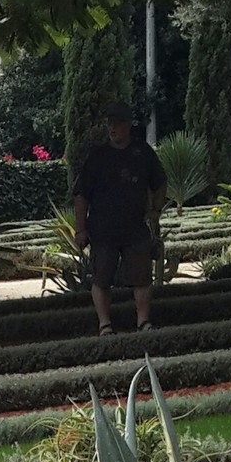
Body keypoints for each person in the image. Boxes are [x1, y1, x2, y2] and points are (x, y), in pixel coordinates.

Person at [72, 106, 166, 336]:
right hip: (103, 229)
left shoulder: (142, 152)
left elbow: (160, 182)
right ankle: (105, 325)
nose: (112, 127)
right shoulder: (97, 156)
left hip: (135, 228)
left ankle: (143, 322)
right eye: (109, 123)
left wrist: (155, 210)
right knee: (101, 278)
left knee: (142, 277)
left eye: (117, 122)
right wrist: (80, 229)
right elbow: (81, 195)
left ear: (128, 125)